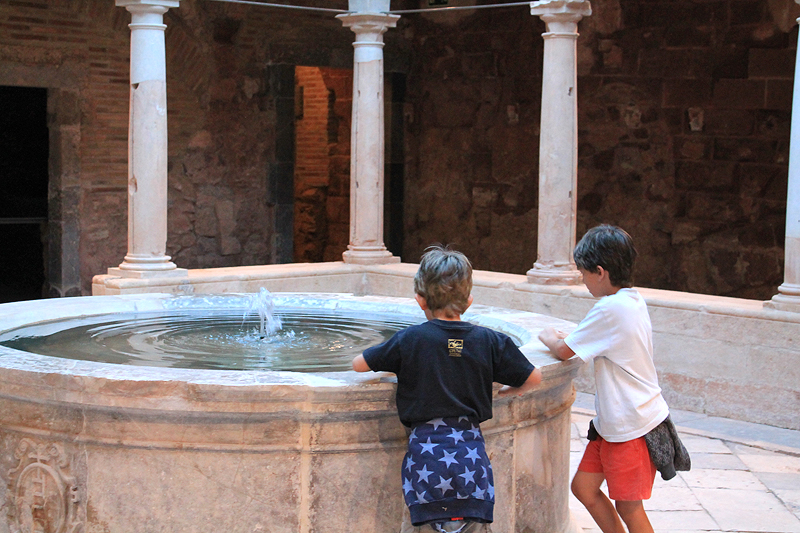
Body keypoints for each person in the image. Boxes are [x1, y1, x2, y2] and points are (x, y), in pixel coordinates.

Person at [352, 245, 543, 533]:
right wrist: (508, 391)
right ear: (469, 301)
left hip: (425, 457)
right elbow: (534, 377)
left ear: (420, 300)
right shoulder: (490, 341)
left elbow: (359, 364)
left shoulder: (410, 339)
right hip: (471, 457)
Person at [538, 224, 671, 533]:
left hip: (632, 427)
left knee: (629, 505)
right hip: (614, 426)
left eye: (584, 275)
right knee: (584, 488)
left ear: (600, 272)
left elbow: (562, 350)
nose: (584, 282)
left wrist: (546, 334)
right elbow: (599, 338)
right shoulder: (631, 300)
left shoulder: (610, 308)